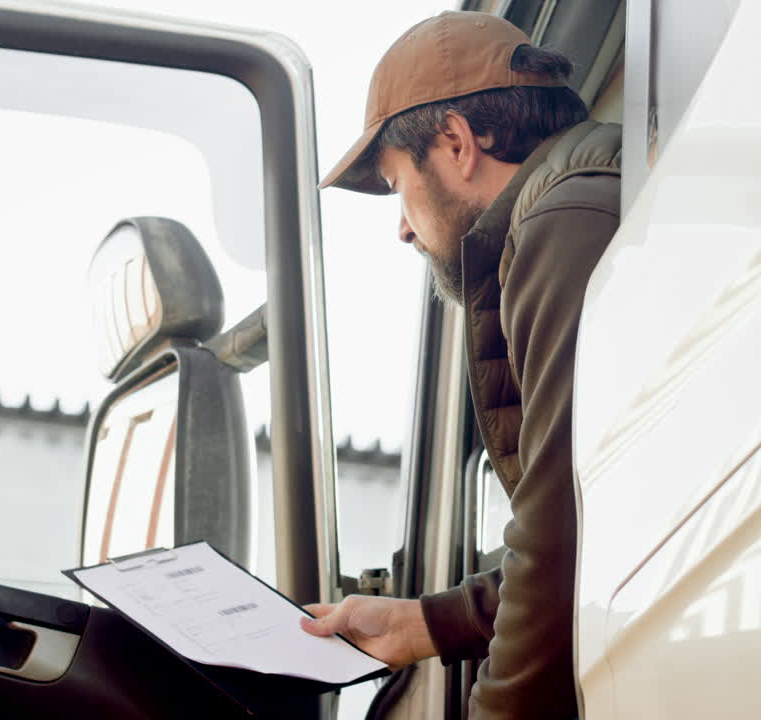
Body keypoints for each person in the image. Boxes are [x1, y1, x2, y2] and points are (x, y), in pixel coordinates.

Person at [300, 11, 621, 719]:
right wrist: (427, 623)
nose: (405, 226)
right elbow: (601, 529)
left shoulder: (563, 220)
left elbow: (559, 533)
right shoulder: (580, 201)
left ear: (455, 142)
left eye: (395, 186)